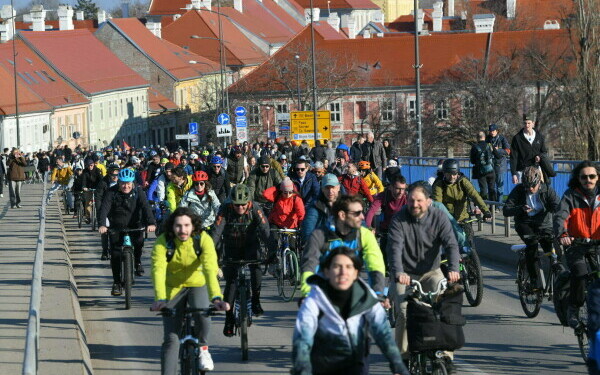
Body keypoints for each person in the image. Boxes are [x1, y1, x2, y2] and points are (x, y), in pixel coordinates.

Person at [292, 247, 408, 375]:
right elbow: (302, 338)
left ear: (356, 273)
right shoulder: (313, 300)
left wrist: (397, 364)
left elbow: (383, 334)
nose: (343, 272)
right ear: (326, 271)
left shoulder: (366, 297)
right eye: (337, 266)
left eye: (348, 267)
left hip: (356, 364)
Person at [386, 181, 461, 372]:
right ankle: (402, 358)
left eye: (419, 200)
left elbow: (451, 244)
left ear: (428, 201)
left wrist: (453, 269)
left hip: (431, 272)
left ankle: (445, 356)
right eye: (411, 200)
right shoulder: (399, 219)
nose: (415, 204)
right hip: (406, 273)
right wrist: (399, 272)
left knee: (444, 306)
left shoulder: (439, 217)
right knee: (403, 312)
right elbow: (394, 249)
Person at [150, 207, 229, 374]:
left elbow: (209, 268)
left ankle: (203, 347)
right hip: (172, 288)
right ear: (172, 226)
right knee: (171, 339)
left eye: (187, 225)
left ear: (194, 226)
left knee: (203, 313)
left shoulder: (203, 240)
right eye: (178, 226)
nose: (182, 230)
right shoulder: (163, 242)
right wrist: (160, 299)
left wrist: (216, 298)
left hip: (197, 284)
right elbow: (158, 270)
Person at [211, 184, 272, 336]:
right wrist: (210, 253)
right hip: (231, 247)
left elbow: (266, 231)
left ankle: (256, 301)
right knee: (231, 282)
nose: (240, 207)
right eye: (237, 205)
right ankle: (229, 319)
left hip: (251, 246)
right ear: (231, 203)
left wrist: (272, 251)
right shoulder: (225, 209)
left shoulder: (255, 208)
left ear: (249, 202)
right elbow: (216, 232)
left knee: (256, 270)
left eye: (243, 204)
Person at [301, 194, 386, 299]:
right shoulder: (319, 235)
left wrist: (378, 293)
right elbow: (309, 266)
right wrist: (307, 295)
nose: (362, 217)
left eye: (362, 212)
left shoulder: (364, 235)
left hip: (352, 294)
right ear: (342, 215)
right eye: (357, 213)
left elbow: (376, 266)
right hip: (323, 295)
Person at [554, 161, 600, 329]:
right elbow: (560, 216)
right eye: (584, 177)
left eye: (592, 176)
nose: (588, 179)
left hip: (597, 243)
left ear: (597, 177)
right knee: (580, 273)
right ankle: (574, 308)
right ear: (578, 179)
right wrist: (562, 233)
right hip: (575, 243)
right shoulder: (571, 196)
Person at [98, 168, 156, 295]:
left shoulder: (138, 191)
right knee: (116, 254)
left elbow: (146, 207)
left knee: (139, 241)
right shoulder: (111, 192)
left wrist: (151, 223)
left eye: (128, 183)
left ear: (132, 182)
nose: (126, 186)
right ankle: (117, 283)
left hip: (135, 224)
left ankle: (138, 262)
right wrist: (102, 224)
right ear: (119, 182)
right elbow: (104, 209)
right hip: (116, 226)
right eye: (123, 183)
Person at [503, 166, 560, 289]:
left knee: (554, 249)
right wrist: (520, 209)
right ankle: (534, 280)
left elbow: (559, 207)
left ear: (539, 182)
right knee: (532, 244)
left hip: (543, 224)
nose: (530, 189)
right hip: (525, 223)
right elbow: (506, 210)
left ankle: (560, 277)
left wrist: (559, 219)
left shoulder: (548, 190)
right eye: (527, 186)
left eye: (532, 186)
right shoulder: (519, 190)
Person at [432, 159, 491, 223]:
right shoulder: (439, 184)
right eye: (448, 174)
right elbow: (437, 203)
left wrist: (486, 211)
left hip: (463, 218)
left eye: (454, 174)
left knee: (468, 232)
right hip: (447, 219)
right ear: (444, 173)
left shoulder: (463, 181)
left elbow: (475, 196)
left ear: (458, 173)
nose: (452, 177)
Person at [366, 174, 408, 264]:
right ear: (390, 187)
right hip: (386, 228)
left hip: (403, 228)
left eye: (403, 189)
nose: (401, 192)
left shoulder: (407, 197)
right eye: (398, 189)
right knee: (383, 253)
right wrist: (368, 228)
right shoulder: (383, 196)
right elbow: (371, 211)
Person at [300, 174, 342, 242]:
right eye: (327, 188)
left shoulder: (346, 204)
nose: (330, 191)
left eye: (333, 187)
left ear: (338, 188)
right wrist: (310, 243)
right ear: (322, 189)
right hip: (323, 244)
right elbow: (309, 224)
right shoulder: (316, 205)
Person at [510, 113, 548, 184]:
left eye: (529, 123)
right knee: (523, 193)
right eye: (525, 123)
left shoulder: (539, 137)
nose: (527, 125)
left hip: (536, 169)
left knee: (537, 192)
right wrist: (514, 174)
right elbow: (513, 157)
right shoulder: (517, 138)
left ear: (533, 123)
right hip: (522, 171)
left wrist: (539, 157)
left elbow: (544, 152)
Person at [96, 163, 120, 261]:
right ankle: (105, 251)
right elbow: (98, 199)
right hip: (106, 209)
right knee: (105, 230)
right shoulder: (103, 183)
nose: (115, 176)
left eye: (117, 174)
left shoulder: (123, 182)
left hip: (119, 209)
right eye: (112, 174)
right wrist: (100, 214)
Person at [470, 131, 496, 202]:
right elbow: (496, 154)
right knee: (492, 188)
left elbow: (472, 161)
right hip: (491, 170)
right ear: (484, 137)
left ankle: (484, 206)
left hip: (481, 171)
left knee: (483, 189)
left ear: (477, 138)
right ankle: (493, 207)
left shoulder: (475, 147)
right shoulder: (489, 145)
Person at [486, 124, 511, 201]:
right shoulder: (487, 139)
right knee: (491, 187)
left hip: (500, 166)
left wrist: (497, 150)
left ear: (497, 131)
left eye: (493, 131)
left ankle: (498, 206)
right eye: (490, 131)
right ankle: (492, 205)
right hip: (490, 166)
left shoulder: (502, 139)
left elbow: (508, 151)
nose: (492, 132)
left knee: (500, 187)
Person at [81, 158, 104, 223]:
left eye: (91, 165)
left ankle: (100, 216)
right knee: (88, 202)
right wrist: (84, 186)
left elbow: (101, 180)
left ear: (93, 164)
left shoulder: (97, 170)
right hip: (89, 188)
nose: (90, 167)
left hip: (97, 188)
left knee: (99, 202)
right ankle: (88, 217)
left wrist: (101, 187)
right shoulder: (85, 171)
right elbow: (84, 180)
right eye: (88, 165)